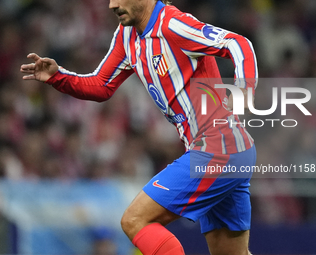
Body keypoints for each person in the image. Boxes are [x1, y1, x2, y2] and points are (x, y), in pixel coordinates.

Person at [20, 0, 258, 254]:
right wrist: (58, 77)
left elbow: (239, 43)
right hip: (232, 152)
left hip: (217, 149)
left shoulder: (173, 24)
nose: (112, 5)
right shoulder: (127, 36)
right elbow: (101, 85)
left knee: (135, 220)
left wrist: (243, 94)